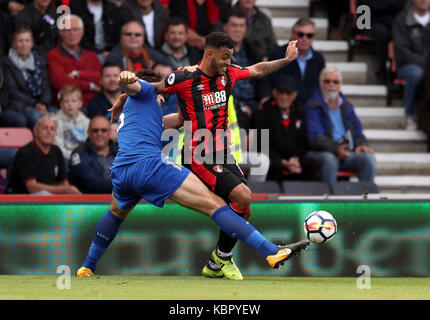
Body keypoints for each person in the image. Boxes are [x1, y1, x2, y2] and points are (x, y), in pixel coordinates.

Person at [76, 69, 309, 277]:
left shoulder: (137, 112)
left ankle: (87, 266)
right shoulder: (146, 93)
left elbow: (182, 118)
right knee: (215, 205)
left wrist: (187, 78)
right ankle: (271, 251)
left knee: (115, 214)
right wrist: (125, 79)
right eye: (162, 95)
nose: (162, 98)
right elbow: (132, 84)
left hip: (121, 172)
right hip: (150, 167)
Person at [305, 66, 377, 186]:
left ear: (340, 85)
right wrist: (336, 149)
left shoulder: (347, 105)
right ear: (321, 84)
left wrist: (361, 145)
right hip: (320, 152)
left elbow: (358, 132)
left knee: (368, 158)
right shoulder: (313, 105)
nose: (331, 85)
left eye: (335, 81)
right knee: (330, 159)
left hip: (345, 152)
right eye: (327, 81)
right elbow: (315, 137)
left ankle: (366, 201)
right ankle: (330, 203)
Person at [256, 74, 318, 182]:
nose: (284, 96)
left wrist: (295, 158)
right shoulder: (265, 113)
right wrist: (282, 161)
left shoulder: (300, 113)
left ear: (294, 95)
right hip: (273, 158)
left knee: (311, 163)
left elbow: (303, 143)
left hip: (294, 158)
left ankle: (306, 195)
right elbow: (262, 144)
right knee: (273, 166)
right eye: (281, 92)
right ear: (275, 93)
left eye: (288, 93)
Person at [5, 113, 81, 194]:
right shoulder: (25, 153)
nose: (49, 132)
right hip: (21, 203)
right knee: (44, 194)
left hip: (47, 199)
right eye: (45, 128)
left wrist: (70, 192)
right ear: (35, 131)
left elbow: (63, 182)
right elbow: (32, 188)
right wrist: (63, 190)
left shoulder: (56, 151)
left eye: (52, 129)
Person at [1, 26, 54, 129]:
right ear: (14, 44)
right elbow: (13, 91)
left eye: (27, 40)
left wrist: (43, 103)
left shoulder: (40, 61)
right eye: (20, 41)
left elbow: (46, 86)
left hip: (41, 104)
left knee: (56, 115)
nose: (24, 44)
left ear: (32, 43)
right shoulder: (7, 63)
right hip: (19, 105)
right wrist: (35, 104)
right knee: (36, 117)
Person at [222, 7, 270, 118]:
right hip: (228, 105)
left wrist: (265, 98)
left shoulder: (253, 52)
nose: (238, 30)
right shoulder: (215, 53)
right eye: (234, 25)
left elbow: (263, 80)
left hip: (253, 106)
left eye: (241, 26)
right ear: (225, 27)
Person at [46, 14, 102, 106]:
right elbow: (62, 83)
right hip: (69, 107)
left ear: (82, 31)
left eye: (75, 29)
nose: (72, 33)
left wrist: (78, 74)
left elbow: (101, 78)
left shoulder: (91, 55)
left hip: (95, 103)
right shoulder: (53, 56)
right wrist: (90, 86)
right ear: (60, 33)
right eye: (67, 30)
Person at [269, 18, 325, 107]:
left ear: (313, 38)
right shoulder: (278, 55)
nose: (304, 38)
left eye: (309, 35)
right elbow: (274, 82)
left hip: (311, 107)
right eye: (300, 34)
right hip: (285, 105)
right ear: (293, 35)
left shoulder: (318, 59)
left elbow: (320, 86)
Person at [393, 0, 430, 130]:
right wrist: (425, 64)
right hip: (407, 65)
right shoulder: (401, 20)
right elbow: (402, 50)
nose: (424, 0)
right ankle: (410, 114)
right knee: (417, 74)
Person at [69, 116, 117, 193]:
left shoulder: (121, 153)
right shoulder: (78, 154)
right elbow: (92, 183)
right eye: (95, 130)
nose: (99, 133)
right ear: (88, 133)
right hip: (88, 202)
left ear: (110, 132)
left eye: (103, 130)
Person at [105, 20, 170, 72]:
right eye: (128, 34)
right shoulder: (113, 57)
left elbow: (172, 69)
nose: (133, 37)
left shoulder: (151, 53)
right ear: (121, 36)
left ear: (143, 38)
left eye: (137, 34)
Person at [54, 85, 90, 164]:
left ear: (80, 104)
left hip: (82, 157)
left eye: (74, 101)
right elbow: (58, 146)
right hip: (64, 157)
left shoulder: (86, 122)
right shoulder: (56, 121)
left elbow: (89, 144)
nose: (70, 104)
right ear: (61, 104)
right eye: (66, 101)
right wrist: (73, 156)